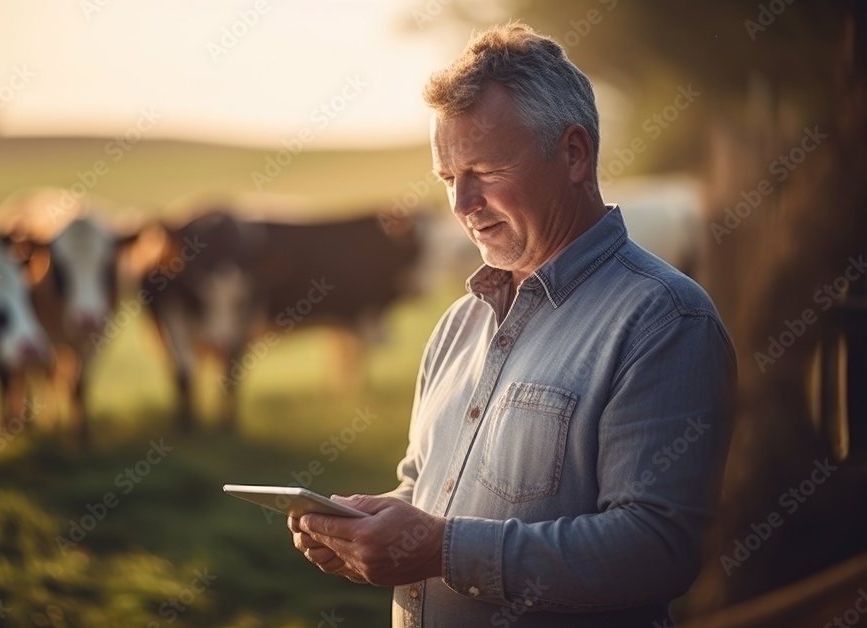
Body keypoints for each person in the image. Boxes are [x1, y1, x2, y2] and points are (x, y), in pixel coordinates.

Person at [289, 22, 736, 628]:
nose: (461, 205)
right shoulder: (458, 323)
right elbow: (425, 491)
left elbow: (657, 549)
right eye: (448, 178)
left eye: (485, 171)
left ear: (574, 154)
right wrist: (369, 525)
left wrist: (439, 548)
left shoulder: (663, 320)